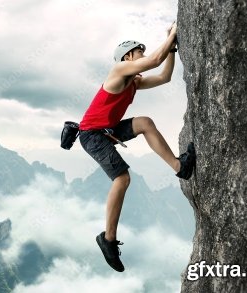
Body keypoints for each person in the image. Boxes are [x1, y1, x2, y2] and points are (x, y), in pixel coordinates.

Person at [78, 22, 196, 272]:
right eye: (139, 52)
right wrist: (171, 35)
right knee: (122, 179)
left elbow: (164, 76)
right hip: (92, 135)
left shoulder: (133, 82)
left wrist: (172, 49)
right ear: (128, 56)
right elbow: (154, 60)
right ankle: (108, 239)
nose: (143, 55)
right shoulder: (119, 70)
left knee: (144, 122)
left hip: (107, 130)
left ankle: (179, 167)